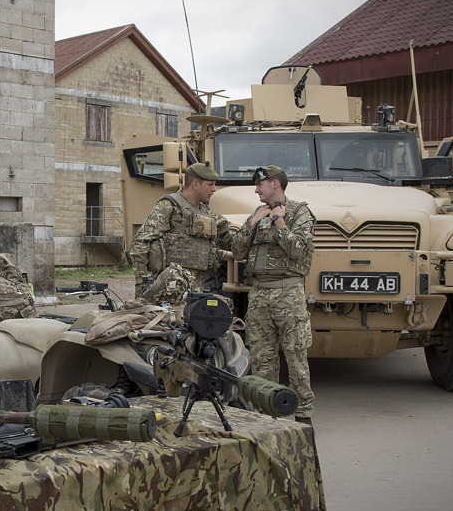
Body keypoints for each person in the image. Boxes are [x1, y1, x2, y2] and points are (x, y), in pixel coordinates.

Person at [232, 165, 316, 424]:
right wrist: (252, 223)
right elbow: (236, 250)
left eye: (260, 184)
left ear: (275, 184)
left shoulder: (299, 212)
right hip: (259, 293)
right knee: (261, 356)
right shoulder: (257, 213)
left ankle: (303, 413)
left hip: (288, 292)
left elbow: (300, 251)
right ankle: (267, 412)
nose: (257, 189)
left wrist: (279, 220)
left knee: (295, 354)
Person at [126, 161, 238, 296]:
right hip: (170, 288)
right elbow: (139, 243)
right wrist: (142, 282)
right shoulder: (169, 207)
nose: (214, 189)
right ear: (195, 184)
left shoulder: (206, 214)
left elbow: (234, 242)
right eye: (210, 185)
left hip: (196, 288)